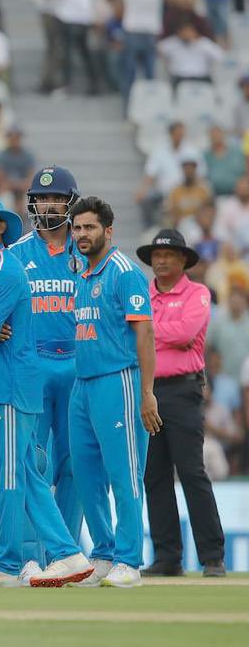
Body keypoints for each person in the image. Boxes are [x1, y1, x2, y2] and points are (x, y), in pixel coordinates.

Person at [0, 195, 93, 588]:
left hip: (13, 384)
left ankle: (9, 563)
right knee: (24, 473)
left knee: (10, 476)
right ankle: (68, 553)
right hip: (1, 384)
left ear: (2, 227)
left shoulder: (7, 271)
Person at [68, 196, 161, 588]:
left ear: (108, 231)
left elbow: (145, 332)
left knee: (124, 475)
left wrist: (147, 392)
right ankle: (103, 554)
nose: (81, 234)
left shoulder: (124, 272)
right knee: (86, 476)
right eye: (76, 228)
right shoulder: (82, 275)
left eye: (89, 227)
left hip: (117, 381)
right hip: (82, 384)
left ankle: (129, 560)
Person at [7, 166, 86, 581]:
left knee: (73, 464)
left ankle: (67, 554)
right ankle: (29, 556)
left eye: (56, 198)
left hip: (75, 362)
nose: (48, 205)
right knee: (29, 460)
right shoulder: (18, 253)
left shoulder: (88, 250)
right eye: (41, 198)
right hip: (32, 364)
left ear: (70, 202)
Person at [137, 229, 226, 578]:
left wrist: (147, 330)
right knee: (154, 476)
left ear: (183, 260)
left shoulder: (198, 293)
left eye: (169, 256)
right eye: (157, 256)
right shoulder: (143, 293)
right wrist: (155, 331)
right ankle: (167, 557)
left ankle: (213, 556)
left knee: (191, 472)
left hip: (182, 391)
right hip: (149, 390)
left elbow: (186, 333)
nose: (161, 261)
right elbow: (134, 333)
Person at [116, 0, 171, 100]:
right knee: (150, 74)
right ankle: (150, 106)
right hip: (151, 32)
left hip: (132, 31)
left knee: (129, 74)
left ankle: (128, 108)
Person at [48, 0, 100, 95]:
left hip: (70, 14)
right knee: (84, 51)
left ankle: (66, 86)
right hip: (83, 14)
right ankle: (94, 84)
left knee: (67, 52)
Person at [156, 21, 225, 88]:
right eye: (184, 31)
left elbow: (220, 55)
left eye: (189, 31)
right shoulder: (172, 42)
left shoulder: (203, 43)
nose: (186, 33)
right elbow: (158, 50)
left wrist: (197, 42)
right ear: (179, 32)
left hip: (201, 78)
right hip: (179, 78)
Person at [167, 156, 212, 227]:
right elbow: (172, 212)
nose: (188, 171)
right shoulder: (176, 191)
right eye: (186, 168)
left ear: (195, 169)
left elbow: (208, 210)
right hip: (182, 225)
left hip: (199, 225)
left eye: (191, 168)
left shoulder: (203, 190)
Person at [0, 128, 36, 200]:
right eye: (11, 137)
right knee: (5, 199)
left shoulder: (28, 156)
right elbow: (0, 180)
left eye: (16, 137)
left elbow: (30, 180)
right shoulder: (0, 156)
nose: (14, 140)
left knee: (29, 200)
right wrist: (14, 185)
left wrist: (18, 185)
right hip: (7, 190)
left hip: (23, 190)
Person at [204, 126, 245, 198]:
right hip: (216, 197)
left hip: (239, 196)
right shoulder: (205, 156)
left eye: (217, 134)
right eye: (213, 135)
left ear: (223, 135)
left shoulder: (237, 152)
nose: (215, 137)